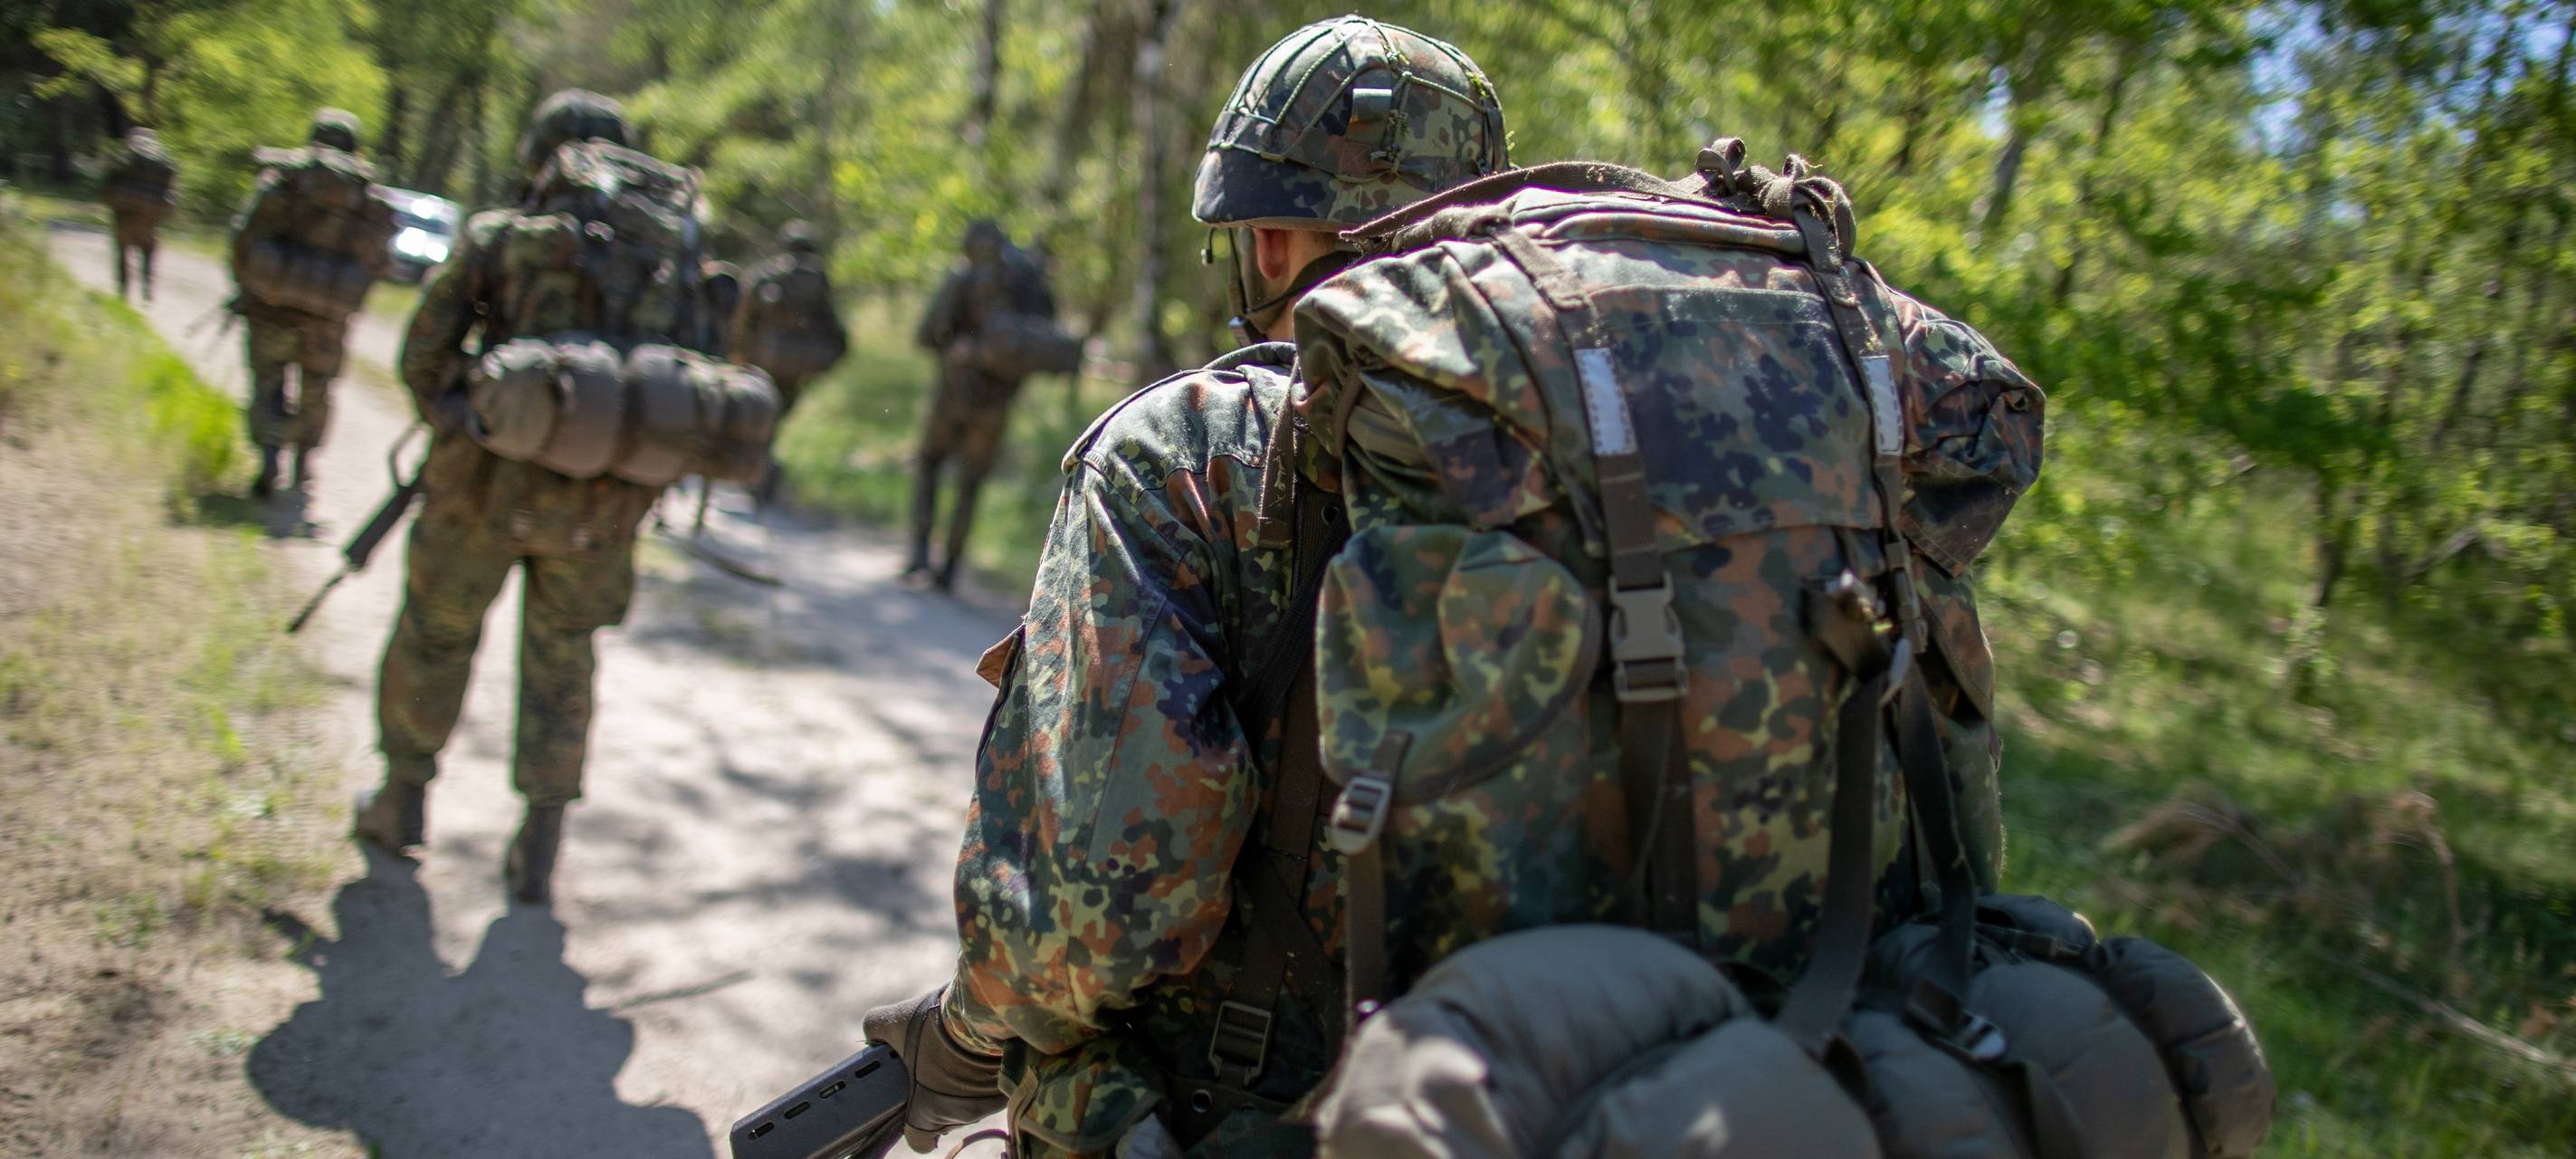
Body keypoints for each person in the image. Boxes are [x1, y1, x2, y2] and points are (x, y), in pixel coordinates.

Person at [859, 17, 1511, 1157]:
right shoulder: (1614, 461)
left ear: (1266, 240)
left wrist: (965, 1038)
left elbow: (1090, 901)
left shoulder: (1193, 450)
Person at [354, 90, 691, 905]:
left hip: (477, 494)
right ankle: (539, 844)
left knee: (435, 636)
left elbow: (422, 357)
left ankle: (401, 802)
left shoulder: (502, 240)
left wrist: (471, 422)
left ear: (540, 157)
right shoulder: (669, 262)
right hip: (599, 516)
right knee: (564, 665)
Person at [230, 109, 389, 497]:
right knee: (317, 388)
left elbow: (244, 238)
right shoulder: (366, 198)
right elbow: (379, 261)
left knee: (268, 381)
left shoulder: (284, 181)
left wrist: (247, 285)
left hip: (271, 307)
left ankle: (270, 454)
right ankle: (304, 463)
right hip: (328, 318)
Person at [904, 218, 1057, 591]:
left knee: (929, 464)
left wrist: (959, 349)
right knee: (971, 483)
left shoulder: (965, 279)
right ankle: (951, 569)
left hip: (952, 394)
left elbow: (927, 335)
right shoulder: (1029, 289)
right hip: (997, 402)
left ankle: (919, 556)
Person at [100, 126, 177, 302]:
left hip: (126, 211)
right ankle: (147, 288)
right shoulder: (162, 159)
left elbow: (110, 180)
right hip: (152, 215)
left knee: (122, 249)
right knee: (149, 250)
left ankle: (123, 290)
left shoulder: (127, 156)